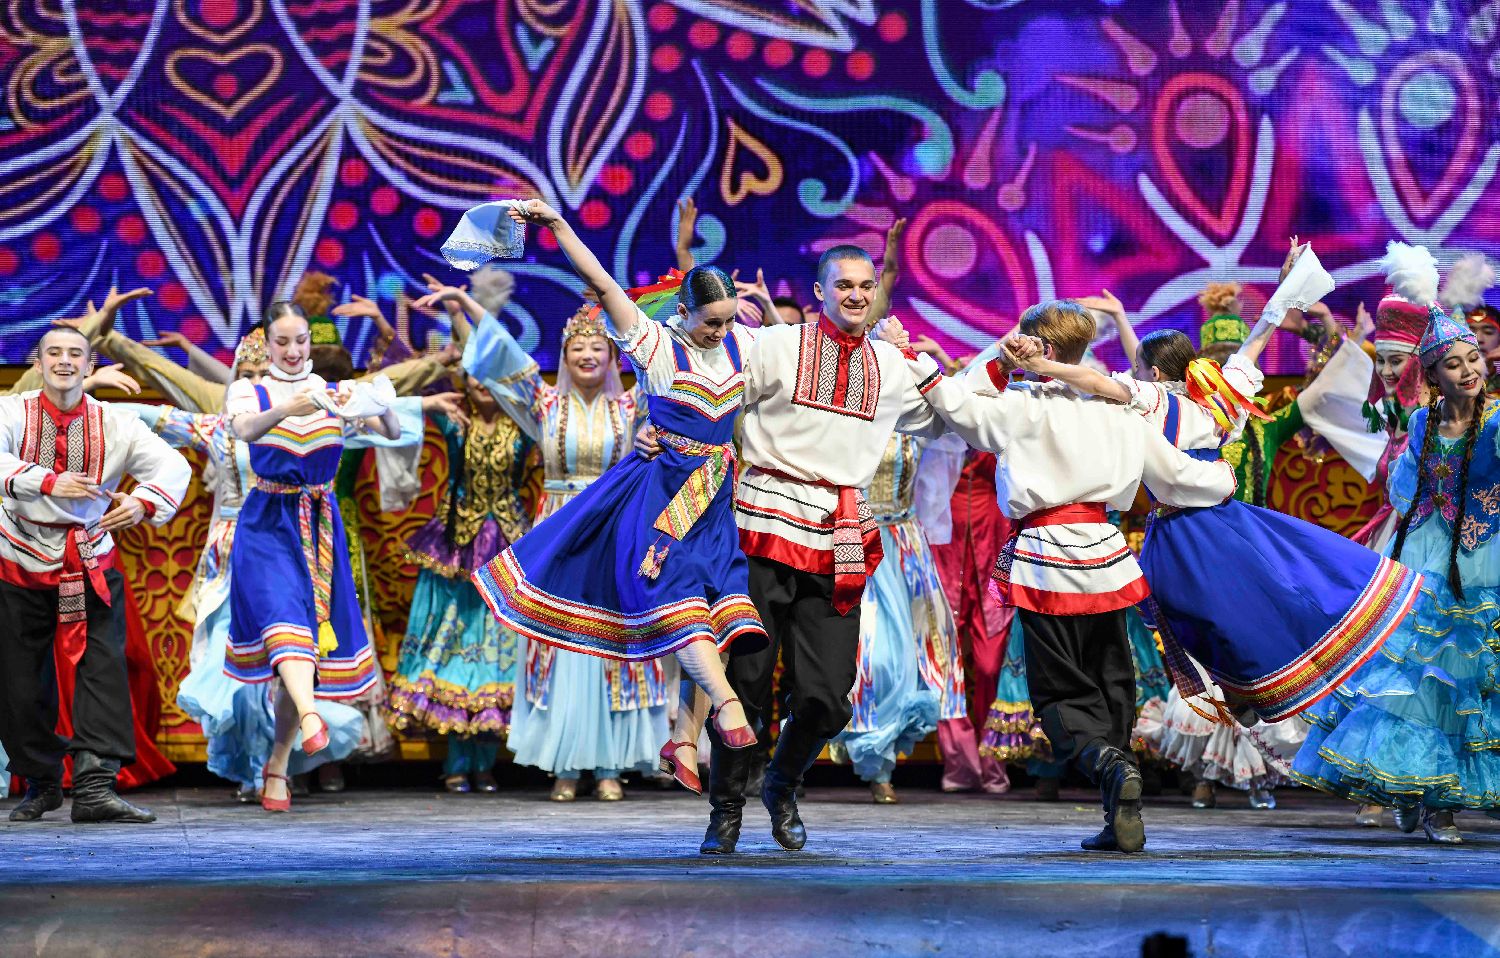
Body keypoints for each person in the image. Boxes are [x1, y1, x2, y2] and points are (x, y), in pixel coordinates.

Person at [907, 301, 1240, 853]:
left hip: (1047, 558)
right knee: (1113, 681)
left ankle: (1107, 764)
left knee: (1059, 689)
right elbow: (1177, 475)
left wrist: (923, 363)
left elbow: (957, 406)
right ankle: (1120, 802)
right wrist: (1224, 479)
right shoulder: (1121, 411)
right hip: (1108, 557)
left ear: (1043, 348)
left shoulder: (1021, 407)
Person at [468, 199, 763, 799]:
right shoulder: (655, 346)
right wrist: (556, 225)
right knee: (682, 612)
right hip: (664, 501)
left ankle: (683, 739)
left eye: (729, 320)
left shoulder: (743, 346)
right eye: (712, 322)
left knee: (720, 621)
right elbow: (603, 283)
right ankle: (727, 708)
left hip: (716, 504)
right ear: (683, 312)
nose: (721, 331)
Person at [701, 242, 944, 855]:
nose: (856, 295)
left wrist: (1000, 365)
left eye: (865, 285)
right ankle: (725, 809)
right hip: (762, 523)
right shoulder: (777, 345)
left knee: (828, 695)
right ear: (819, 292)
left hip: (839, 533)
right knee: (746, 681)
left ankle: (782, 781)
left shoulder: (891, 366)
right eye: (843, 285)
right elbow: (713, 388)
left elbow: (947, 416)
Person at [1293, 289, 1500, 844]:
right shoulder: (1424, 422)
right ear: (1432, 375)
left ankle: (1440, 796)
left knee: (1472, 681)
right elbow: (1405, 491)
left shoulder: (1497, 421)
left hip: (1484, 557)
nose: (1469, 370)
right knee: (1421, 679)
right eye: (1454, 364)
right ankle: (1420, 793)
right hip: (1428, 554)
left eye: (1473, 359)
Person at [456, 270, 668, 803]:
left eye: (598, 347)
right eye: (577, 348)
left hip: (613, 529)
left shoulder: (633, 406)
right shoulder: (544, 403)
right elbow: (502, 356)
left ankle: (611, 766)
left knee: (610, 639)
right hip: (558, 527)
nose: (588, 355)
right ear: (565, 356)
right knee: (560, 638)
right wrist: (465, 302)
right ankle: (565, 764)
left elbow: (665, 366)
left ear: (613, 356)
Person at [0, 324, 191, 823]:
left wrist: (142, 503)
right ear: (38, 364)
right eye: (54, 353)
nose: (64, 361)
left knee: (101, 668)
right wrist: (46, 480)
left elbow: (172, 466)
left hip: (87, 558)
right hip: (18, 559)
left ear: (89, 366)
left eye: (75, 354)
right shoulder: (11, 411)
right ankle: (42, 782)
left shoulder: (117, 422)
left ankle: (94, 787)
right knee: (19, 681)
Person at [223, 302, 402, 813]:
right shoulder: (251, 391)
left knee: (301, 646)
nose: (293, 350)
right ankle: (309, 714)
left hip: (320, 527)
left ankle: (278, 765)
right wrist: (287, 408)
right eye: (282, 341)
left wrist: (376, 399)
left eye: (300, 340)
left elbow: (391, 431)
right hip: (267, 524)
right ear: (267, 343)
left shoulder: (332, 392)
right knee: (283, 622)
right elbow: (245, 431)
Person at [388, 370, 534, 794]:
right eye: (475, 375)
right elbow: (402, 380)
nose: (483, 382)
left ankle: (484, 764)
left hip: (508, 546)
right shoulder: (455, 420)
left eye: (491, 372)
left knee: (497, 652)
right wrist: (438, 354)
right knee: (452, 647)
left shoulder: (524, 424)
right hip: (456, 546)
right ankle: (456, 762)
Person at [831, 433, 965, 803]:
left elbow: (942, 468)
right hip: (858, 542)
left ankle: (881, 768)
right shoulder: (849, 414)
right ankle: (832, 750)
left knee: (908, 659)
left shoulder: (914, 419)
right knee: (871, 657)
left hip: (905, 545)